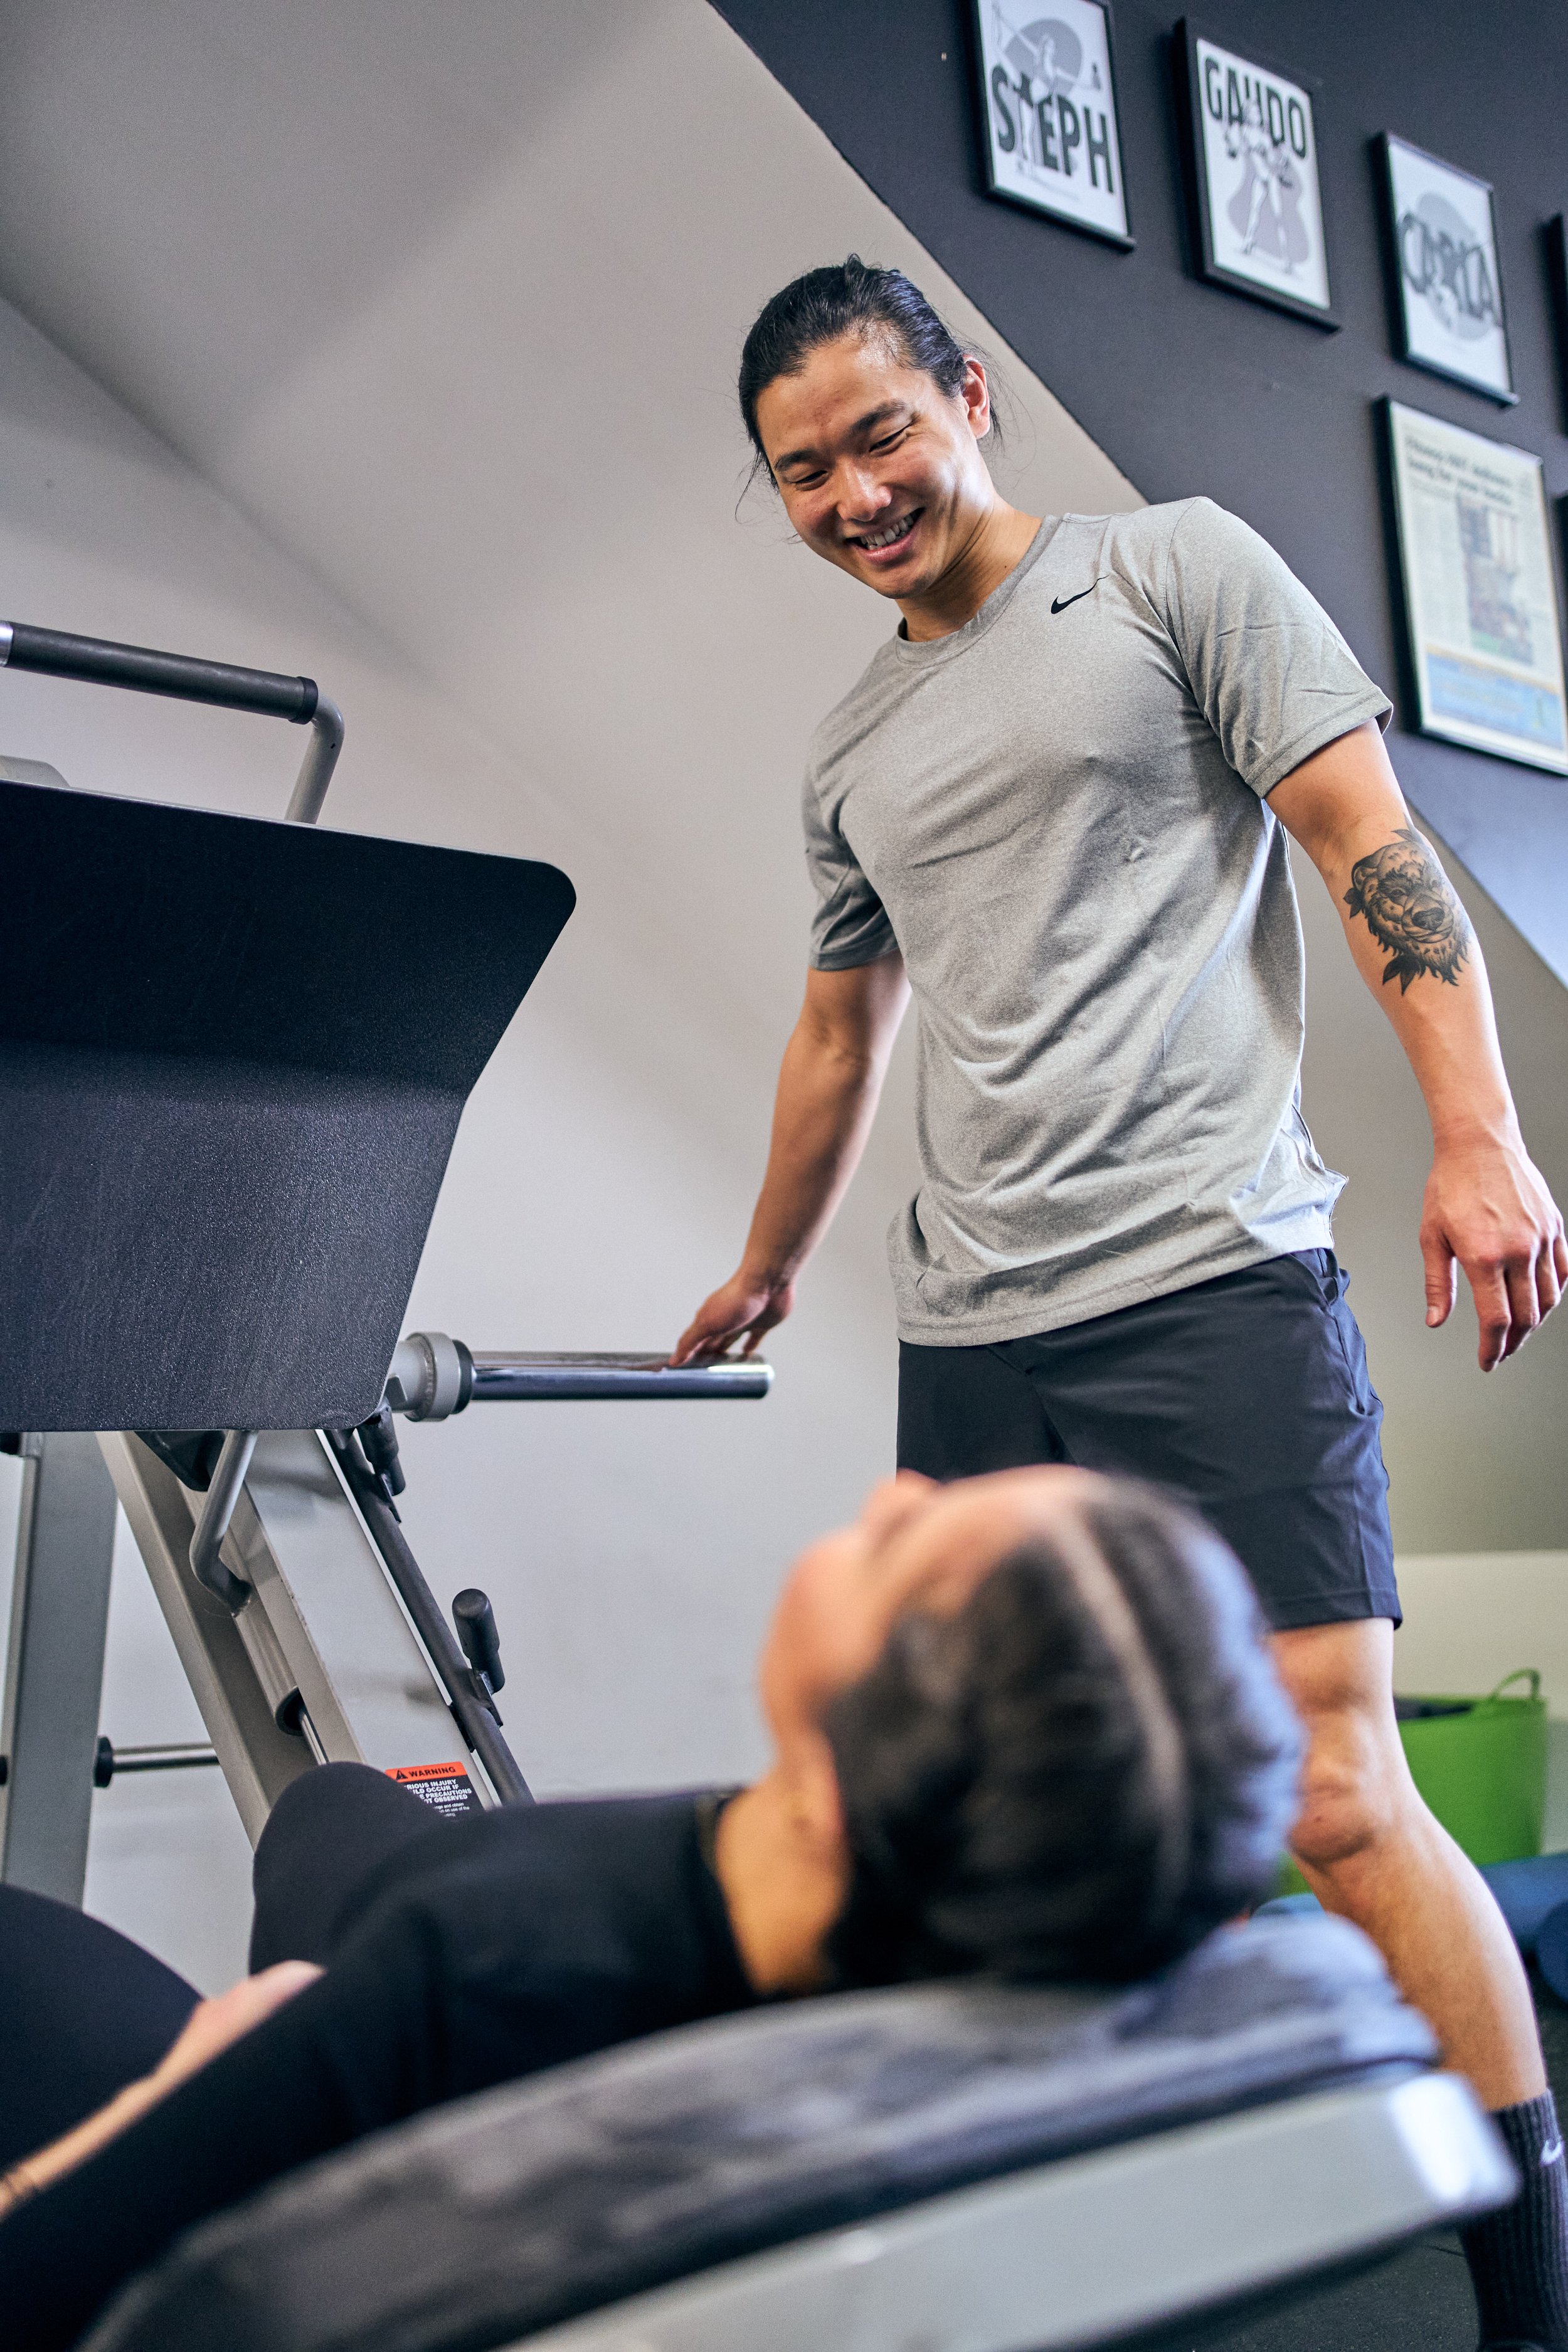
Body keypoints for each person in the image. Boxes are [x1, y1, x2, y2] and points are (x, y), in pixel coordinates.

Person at [671, 256, 1568, 2351]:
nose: (853, 494)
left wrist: (1480, 1137)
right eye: (802, 471)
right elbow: (840, 1032)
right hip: (977, 1326)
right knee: (990, 1815)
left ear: (970, 397)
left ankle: (1529, 2284)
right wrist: (772, 1258)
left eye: (882, 433)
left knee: (1331, 1794)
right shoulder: (849, 744)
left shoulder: (1170, 571)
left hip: (1205, 1275)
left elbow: (1365, 841)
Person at [0, 1465, 1297, 2349]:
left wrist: (172, 2097)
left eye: (895, 1546)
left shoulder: (478, 1974)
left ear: (831, 1800)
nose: (894, 1491)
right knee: (329, 1808)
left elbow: (42, 2285)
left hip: (289, 2107)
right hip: (435, 1941)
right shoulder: (1001, 1952)